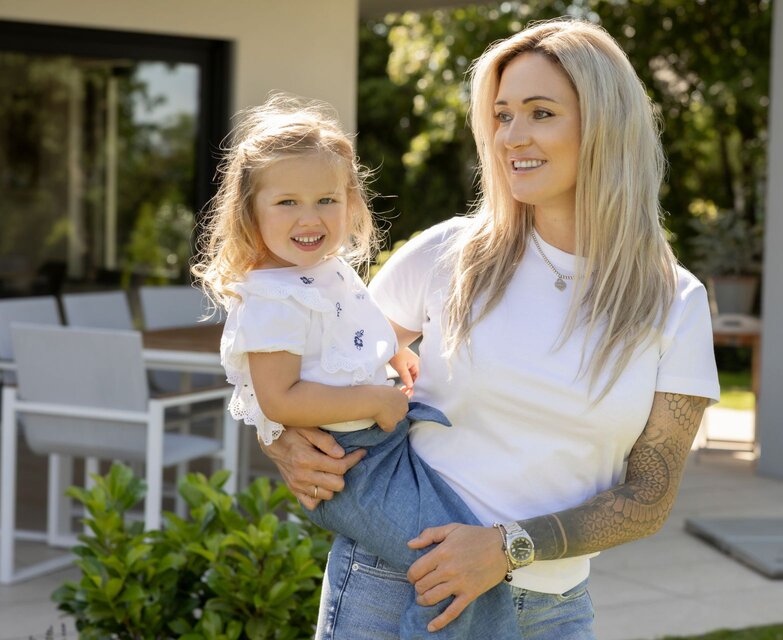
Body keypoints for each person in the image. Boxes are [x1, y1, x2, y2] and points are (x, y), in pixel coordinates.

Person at [261, 18, 721, 640]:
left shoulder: (674, 300)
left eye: (540, 112)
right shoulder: (450, 253)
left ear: (605, 125)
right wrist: (278, 433)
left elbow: (649, 496)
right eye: (502, 116)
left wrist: (508, 547)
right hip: (398, 580)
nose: (513, 136)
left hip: (552, 610)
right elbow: (292, 343)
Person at [191, 93, 521, 639]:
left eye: (326, 199)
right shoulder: (273, 298)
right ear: (250, 211)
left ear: (350, 202)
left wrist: (391, 352)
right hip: (351, 467)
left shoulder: (325, 270)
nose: (309, 218)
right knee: (450, 572)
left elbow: (351, 325)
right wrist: (373, 399)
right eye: (286, 202)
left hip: (378, 451)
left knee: (465, 552)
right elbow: (282, 400)